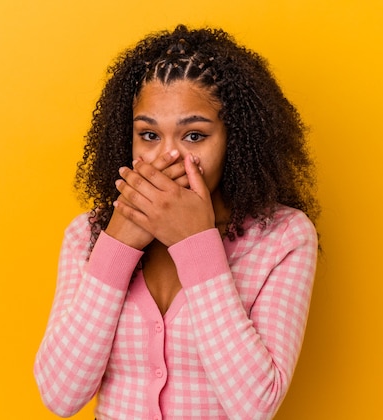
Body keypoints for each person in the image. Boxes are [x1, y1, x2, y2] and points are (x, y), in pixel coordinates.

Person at [34, 24, 320, 420]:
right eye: (149, 135)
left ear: (233, 140)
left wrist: (196, 243)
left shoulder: (283, 238)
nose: (167, 157)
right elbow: (60, 395)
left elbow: (255, 407)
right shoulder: (87, 234)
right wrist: (116, 244)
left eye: (194, 136)